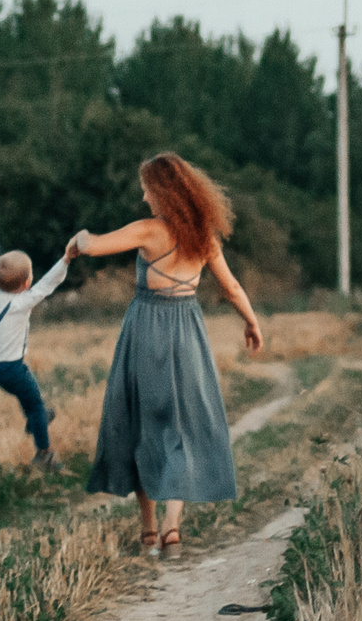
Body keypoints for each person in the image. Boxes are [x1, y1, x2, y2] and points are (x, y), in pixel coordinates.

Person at [71, 152, 265, 557]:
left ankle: (147, 531)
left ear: (162, 191)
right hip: (187, 333)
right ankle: (172, 531)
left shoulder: (148, 230)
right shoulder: (204, 236)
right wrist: (252, 322)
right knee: (180, 429)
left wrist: (79, 239)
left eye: (147, 188)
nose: (144, 197)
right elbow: (230, 287)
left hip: (145, 330)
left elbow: (93, 246)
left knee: (141, 425)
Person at [0, 227, 73, 473]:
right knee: (36, 406)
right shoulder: (22, 302)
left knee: (29, 399)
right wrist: (66, 259)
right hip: (12, 369)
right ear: (25, 283)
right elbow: (47, 285)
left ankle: (35, 420)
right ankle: (44, 453)